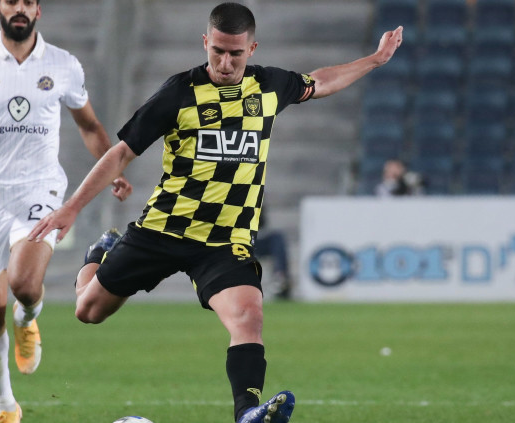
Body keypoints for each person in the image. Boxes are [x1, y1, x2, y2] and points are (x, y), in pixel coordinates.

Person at [30, 3, 402, 422]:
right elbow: (121, 153)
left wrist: (375, 59)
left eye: (235, 54)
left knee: (248, 316)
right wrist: (72, 208)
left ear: (252, 49)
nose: (225, 63)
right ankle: (99, 254)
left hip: (225, 241)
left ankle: (247, 413)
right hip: (164, 229)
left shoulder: (269, 86)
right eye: (218, 52)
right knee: (88, 311)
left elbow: (320, 81)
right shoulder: (178, 93)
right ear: (205, 42)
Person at [0, 1, 132, 422]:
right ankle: (6, 407)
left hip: (40, 191)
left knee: (26, 285)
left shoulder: (63, 65)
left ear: (37, 11)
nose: (20, 9)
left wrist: (112, 169)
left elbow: (88, 125)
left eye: (28, 2)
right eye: (12, 1)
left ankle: (28, 316)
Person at [254, 210, 291, 299]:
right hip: (244, 242)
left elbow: (262, 222)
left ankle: (280, 275)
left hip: (258, 239)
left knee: (277, 238)